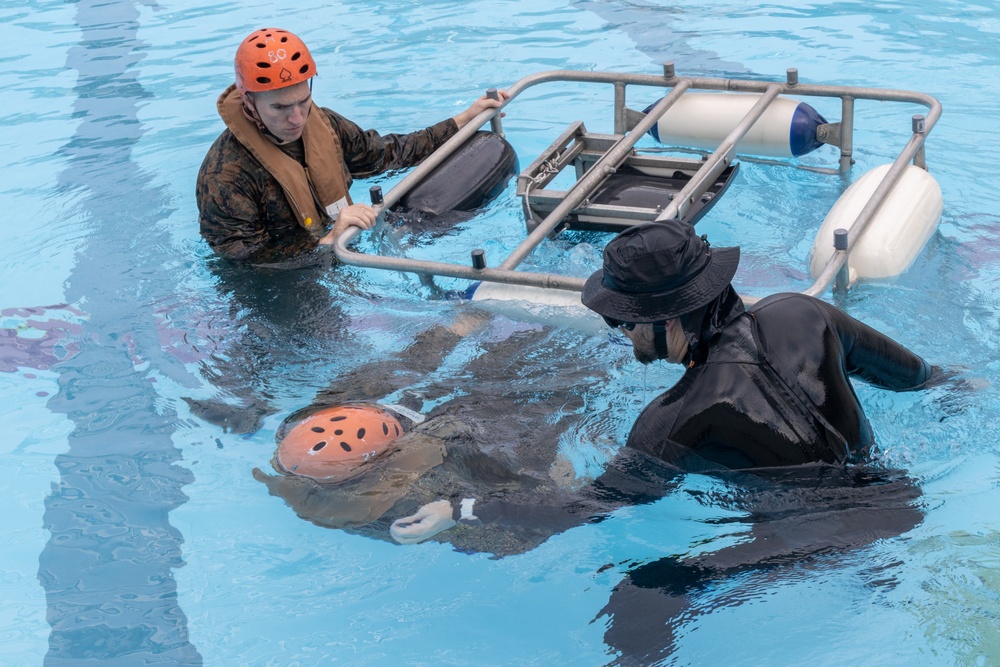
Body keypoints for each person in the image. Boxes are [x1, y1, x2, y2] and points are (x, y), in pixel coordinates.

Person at [580, 219, 941, 471]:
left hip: (817, 551)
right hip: (902, 495)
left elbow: (600, 509)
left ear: (667, 319)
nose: (620, 331)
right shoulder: (805, 312)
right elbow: (922, 376)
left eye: (622, 319)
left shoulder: (670, 421)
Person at [196, 27, 508, 264]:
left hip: (341, 249)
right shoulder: (225, 174)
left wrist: (462, 121)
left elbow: (387, 154)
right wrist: (329, 242)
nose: (296, 118)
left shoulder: (326, 125)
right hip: (285, 287)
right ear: (249, 104)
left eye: (303, 102)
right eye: (279, 108)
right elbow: (243, 263)